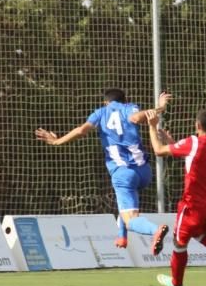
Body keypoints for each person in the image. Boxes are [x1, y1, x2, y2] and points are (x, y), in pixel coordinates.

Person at [35, 89, 171, 255]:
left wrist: (56, 141)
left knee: (131, 219)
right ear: (125, 100)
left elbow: (81, 131)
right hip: (144, 172)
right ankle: (122, 236)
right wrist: (160, 107)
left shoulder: (100, 113)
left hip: (123, 174)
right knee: (127, 204)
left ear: (105, 102)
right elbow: (137, 117)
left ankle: (155, 230)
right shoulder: (130, 108)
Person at [145, 104, 206, 286]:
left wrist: (151, 125)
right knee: (201, 234)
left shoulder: (193, 142)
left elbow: (158, 150)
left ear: (197, 125)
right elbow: (194, 159)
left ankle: (176, 283)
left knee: (179, 242)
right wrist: (172, 142)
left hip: (194, 205)